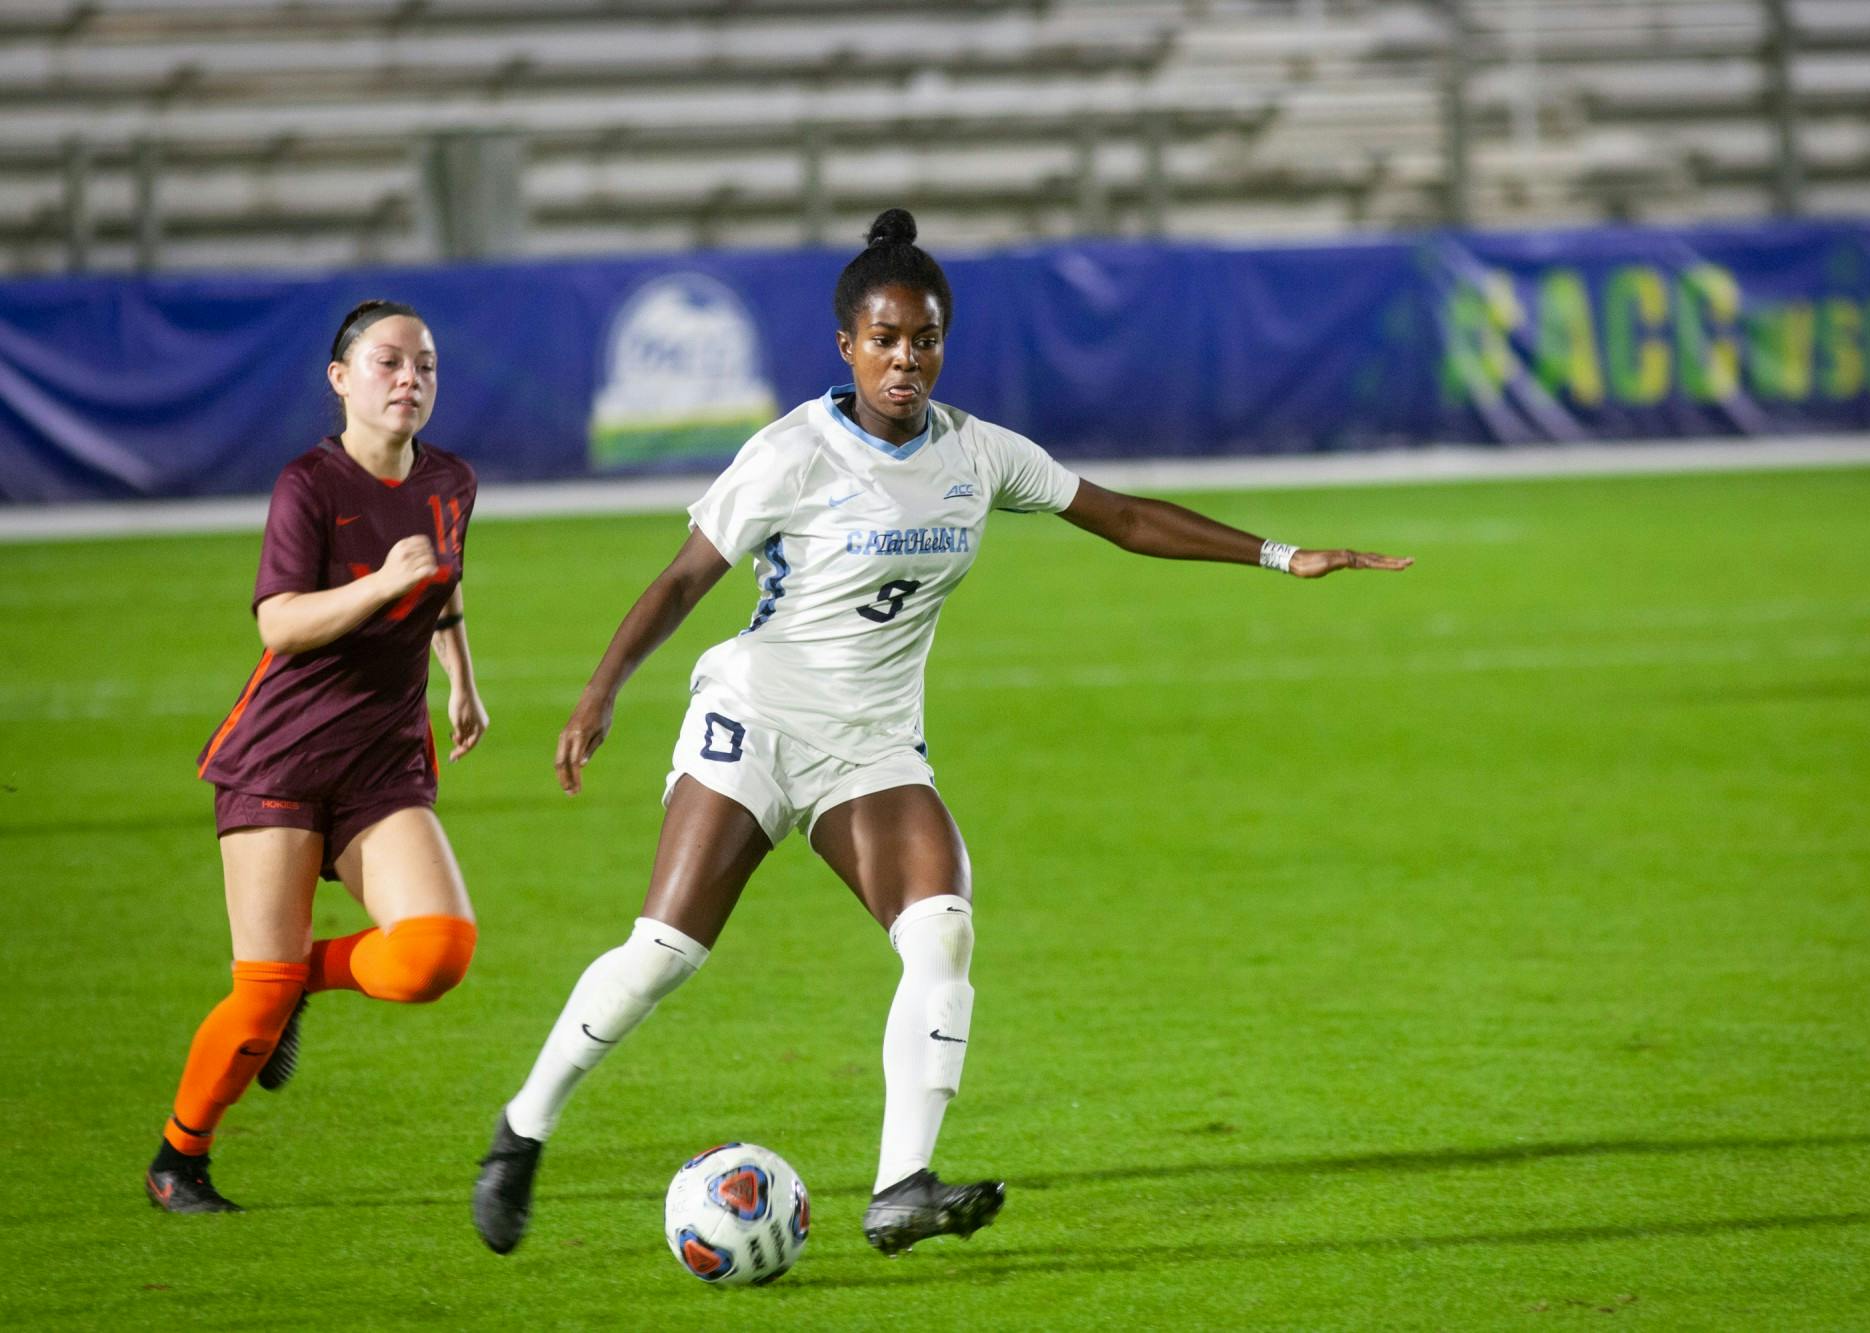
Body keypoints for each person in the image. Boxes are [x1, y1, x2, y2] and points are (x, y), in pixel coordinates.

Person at [471, 208, 1410, 1263]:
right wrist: (601, 691)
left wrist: (1284, 556)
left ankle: (899, 1186)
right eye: (882, 339)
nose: (904, 358)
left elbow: (1122, 518)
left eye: (922, 339)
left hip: (870, 743)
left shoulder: (976, 453)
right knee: (663, 954)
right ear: (846, 347)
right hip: (757, 717)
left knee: (942, 929)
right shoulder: (791, 451)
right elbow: (688, 573)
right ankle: (523, 1128)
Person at [146, 299, 488, 1214]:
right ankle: (180, 1159)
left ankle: (305, 976)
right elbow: (280, 622)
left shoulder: (453, 478)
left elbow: (444, 582)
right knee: (255, 998)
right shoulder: (310, 484)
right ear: (341, 379)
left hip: (382, 758)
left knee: (434, 954)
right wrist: (381, 584)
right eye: (387, 363)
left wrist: (462, 676)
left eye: (425, 364)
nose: (409, 379)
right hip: (282, 757)